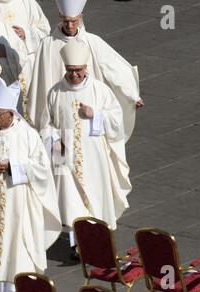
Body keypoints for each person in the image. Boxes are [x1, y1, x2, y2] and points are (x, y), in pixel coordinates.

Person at [0, 79, 61, 292]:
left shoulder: (27, 134)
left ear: (11, 113)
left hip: (20, 203)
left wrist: (13, 168)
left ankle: (16, 289)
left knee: (17, 245)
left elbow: (41, 168)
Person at [41, 40, 132, 253]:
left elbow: (116, 120)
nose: (74, 75)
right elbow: (46, 124)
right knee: (71, 202)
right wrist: (54, 141)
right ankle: (77, 246)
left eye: (78, 70)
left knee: (96, 195)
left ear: (86, 68)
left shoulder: (99, 91)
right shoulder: (55, 92)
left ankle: (99, 241)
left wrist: (95, 115)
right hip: (63, 154)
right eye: (70, 70)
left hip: (93, 154)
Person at [26, 0, 143, 142]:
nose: (70, 26)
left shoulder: (92, 41)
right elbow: (40, 81)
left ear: (80, 16)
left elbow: (114, 68)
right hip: (59, 104)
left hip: (89, 102)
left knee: (90, 148)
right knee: (60, 156)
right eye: (66, 21)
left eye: (73, 21)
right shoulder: (47, 44)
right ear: (60, 16)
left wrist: (131, 94)